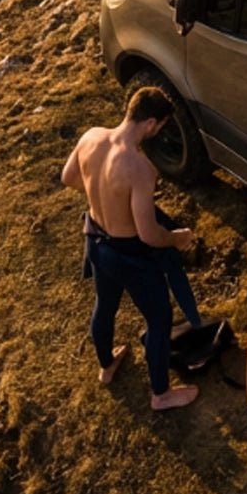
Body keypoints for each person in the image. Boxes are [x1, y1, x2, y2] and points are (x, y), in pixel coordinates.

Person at [61, 85, 199, 410]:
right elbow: (149, 235)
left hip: (95, 240)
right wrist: (177, 237)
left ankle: (106, 366)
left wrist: (101, 195)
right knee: (159, 319)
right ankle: (161, 394)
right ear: (151, 124)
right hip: (128, 256)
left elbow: (68, 177)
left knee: (105, 304)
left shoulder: (91, 136)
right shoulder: (139, 168)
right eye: (161, 126)